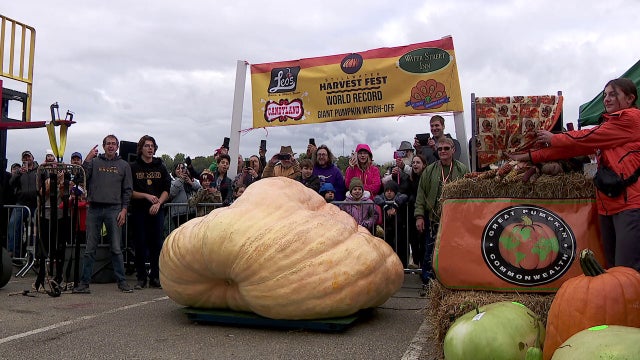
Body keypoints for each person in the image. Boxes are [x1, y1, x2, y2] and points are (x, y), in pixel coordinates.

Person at [510, 78, 640, 271]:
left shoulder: (630, 119)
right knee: (611, 267)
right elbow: (574, 148)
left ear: (630, 98)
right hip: (607, 204)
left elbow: (587, 137)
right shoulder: (609, 126)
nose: (607, 99)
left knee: (627, 268)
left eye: (613, 94)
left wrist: (556, 138)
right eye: (605, 95)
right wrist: (530, 156)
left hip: (629, 204)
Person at [73, 135, 133, 294]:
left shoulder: (124, 165)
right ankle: (84, 283)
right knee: (90, 249)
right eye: (108, 144)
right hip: (94, 208)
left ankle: (122, 282)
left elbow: (128, 190)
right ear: (104, 146)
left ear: (117, 146)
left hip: (114, 209)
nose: (111, 146)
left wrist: (124, 209)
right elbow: (80, 177)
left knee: (116, 248)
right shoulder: (94, 162)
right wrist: (87, 159)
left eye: (114, 144)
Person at [415, 137, 469, 284]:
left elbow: (468, 195)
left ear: (453, 150)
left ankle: (451, 280)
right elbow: (421, 194)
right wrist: (419, 216)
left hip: (455, 221)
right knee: (430, 251)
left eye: (446, 148)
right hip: (433, 218)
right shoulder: (429, 170)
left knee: (453, 250)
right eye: (440, 149)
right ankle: (428, 282)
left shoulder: (462, 169)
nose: (443, 151)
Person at [129, 135, 171, 290]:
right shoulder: (133, 167)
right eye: (147, 146)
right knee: (140, 244)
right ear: (141, 148)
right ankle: (141, 278)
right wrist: (146, 195)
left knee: (156, 245)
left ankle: (155, 277)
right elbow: (129, 191)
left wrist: (159, 203)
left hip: (157, 210)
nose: (150, 148)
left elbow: (167, 189)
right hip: (139, 210)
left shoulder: (160, 166)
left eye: (152, 146)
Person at [8, 150, 38, 260]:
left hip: (35, 204)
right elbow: (11, 183)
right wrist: (18, 173)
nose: (26, 159)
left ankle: (32, 256)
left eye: (28, 157)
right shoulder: (19, 172)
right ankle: (14, 254)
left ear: (33, 157)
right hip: (21, 203)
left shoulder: (39, 170)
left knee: (34, 231)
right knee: (13, 224)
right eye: (24, 157)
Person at [374, 181, 409, 267]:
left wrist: (395, 205)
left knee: (400, 248)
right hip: (386, 228)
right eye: (387, 190)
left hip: (399, 227)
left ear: (395, 191)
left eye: (391, 191)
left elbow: (404, 196)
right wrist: (386, 207)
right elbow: (376, 198)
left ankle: (402, 267)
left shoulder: (399, 196)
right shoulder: (381, 197)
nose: (389, 192)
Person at [406, 154, 428, 269]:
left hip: (424, 214)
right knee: (413, 241)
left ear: (424, 165)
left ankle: (423, 267)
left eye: (418, 162)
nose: (415, 165)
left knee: (423, 242)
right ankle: (416, 263)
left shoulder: (426, 178)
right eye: (413, 162)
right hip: (411, 214)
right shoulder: (410, 179)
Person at [168, 162, 200, 229]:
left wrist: (191, 183)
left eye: (182, 168)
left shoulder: (191, 180)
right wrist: (181, 180)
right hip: (179, 214)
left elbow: (200, 189)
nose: (180, 170)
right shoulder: (172, 182)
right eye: (178, 169)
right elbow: (171, 193)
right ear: (174, 171)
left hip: (193, 213)